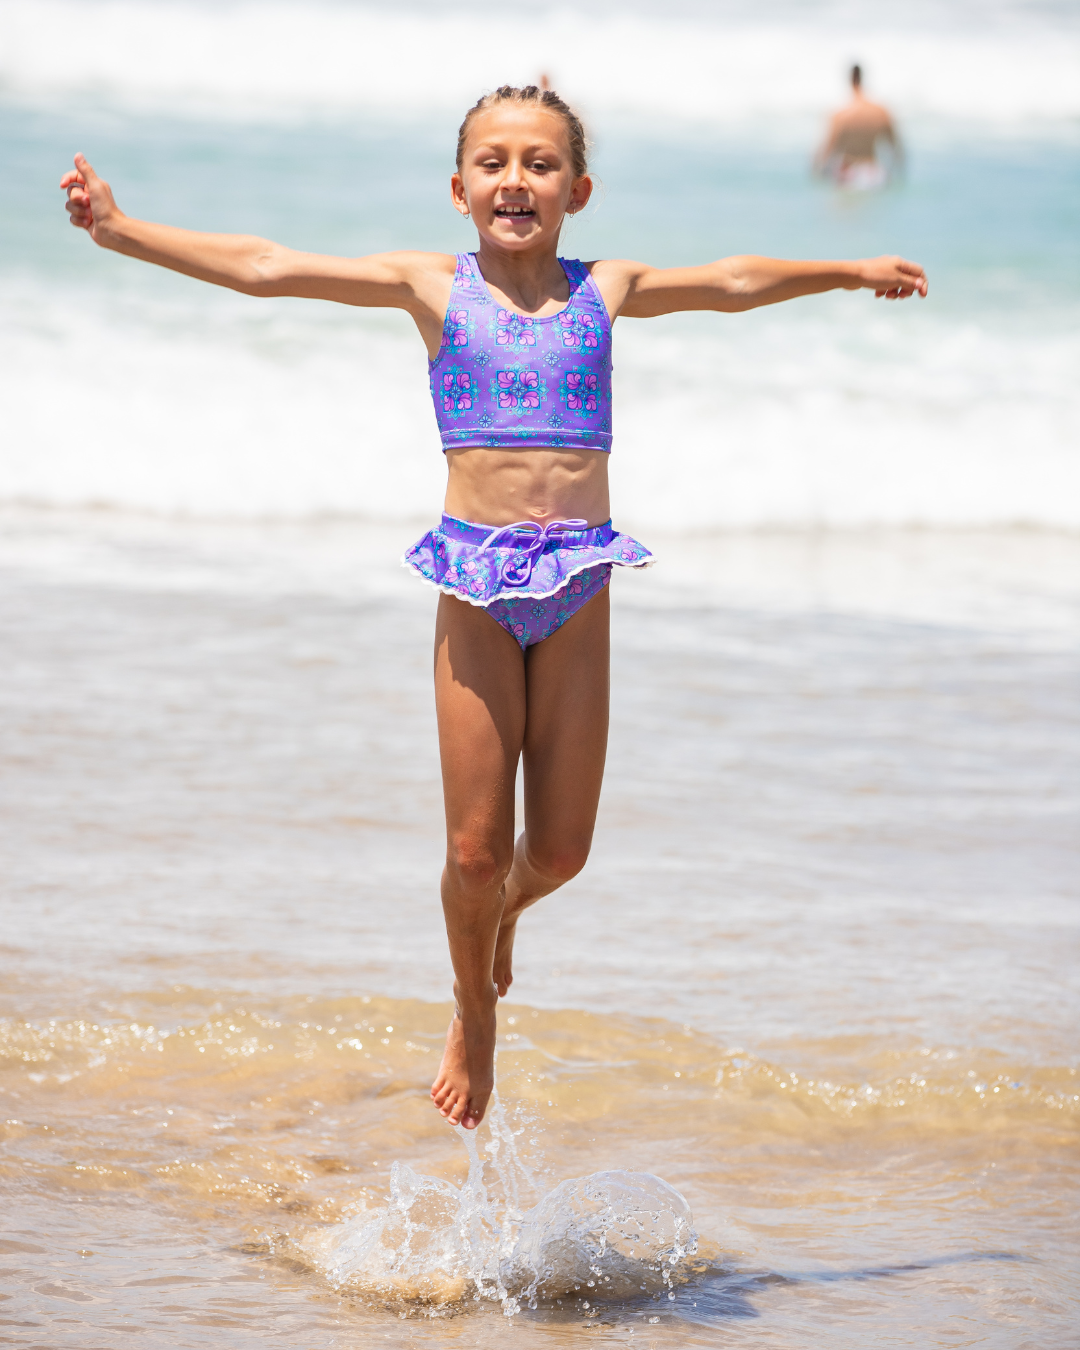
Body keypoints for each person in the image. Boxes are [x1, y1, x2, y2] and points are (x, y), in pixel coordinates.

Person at [61, 83, 927, 1132]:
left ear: (579, 188)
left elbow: (737, 278)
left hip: (577, 584)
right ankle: (473, 1006)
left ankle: (502, 919)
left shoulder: (607, 287)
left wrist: (849, 269)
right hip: (473, 581)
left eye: (541, 163)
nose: (517, 180)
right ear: (460, 187)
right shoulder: (433, 287)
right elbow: (265, 264)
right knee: (475, 850)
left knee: (556, 853)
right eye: (495, 162)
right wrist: (120, 230)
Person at [814, 64, 903, 189]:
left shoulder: (841, 115)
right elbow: (896, 148)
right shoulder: (881, 112)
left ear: (850, 80)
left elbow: (827, 150)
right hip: (873, 174)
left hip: (848, 173)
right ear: (863, 79)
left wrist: (817, 173)